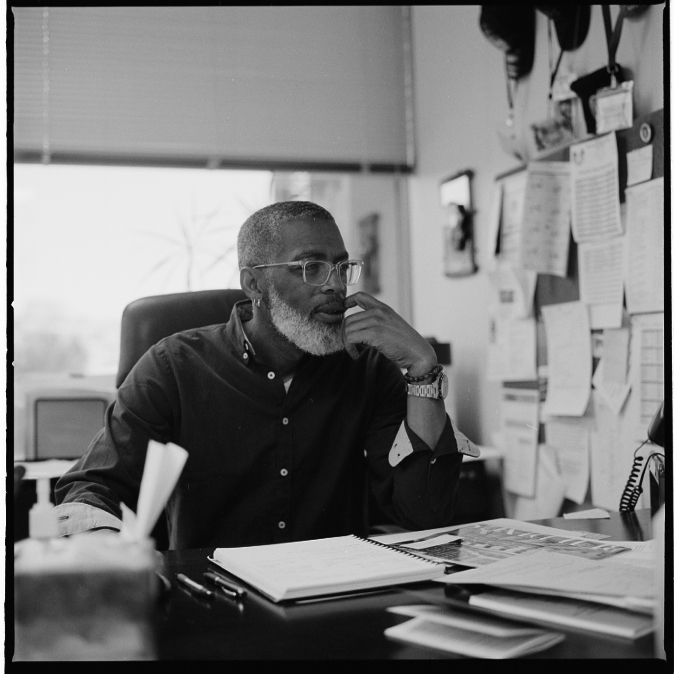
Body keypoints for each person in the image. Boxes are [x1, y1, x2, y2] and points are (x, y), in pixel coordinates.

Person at [55, 201, 475, 549]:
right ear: (254, 285)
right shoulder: (173, 369)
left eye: (341, 268)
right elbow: (95, 488)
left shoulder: (364, 368)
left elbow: (426, 513)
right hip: (212, 610)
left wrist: (423, 371)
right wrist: (101, 554)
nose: (335, 286)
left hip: (334, 601)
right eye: (311, 267)